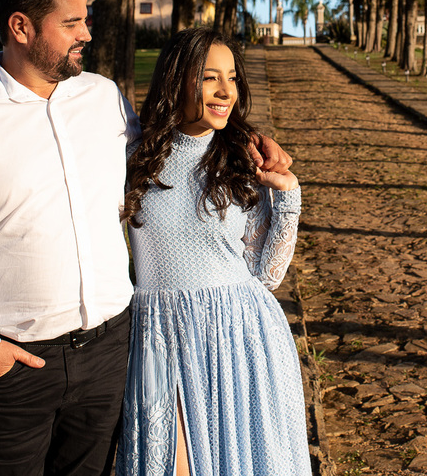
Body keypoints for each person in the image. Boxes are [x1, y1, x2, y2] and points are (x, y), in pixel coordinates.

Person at [0, 0, 291, 476]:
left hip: (109, 357)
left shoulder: (103, 99)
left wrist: (247, 145)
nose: (87, 34)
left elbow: (168, 162)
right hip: (12, 366)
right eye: (72, 23)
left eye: (87, 20)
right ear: (21, 26)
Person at [115, 28, 310, 476]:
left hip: (239, 333)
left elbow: (266, 276)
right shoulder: (133, 156)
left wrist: (289, 197)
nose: (225, 91)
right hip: (158, 335)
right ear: (176, 80)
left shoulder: (243, 159)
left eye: (232, 78)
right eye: (209, 78)